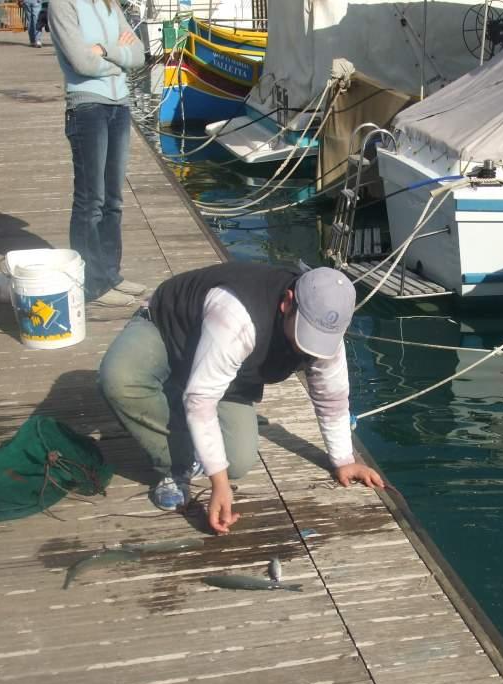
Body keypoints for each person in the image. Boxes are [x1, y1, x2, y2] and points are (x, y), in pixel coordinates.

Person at [99, 263, 385, 535]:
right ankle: (174, 463)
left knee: (237, 462)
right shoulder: (237, 316)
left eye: (320, 338)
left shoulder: (327, 335)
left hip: (229, 368)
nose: (309, 347)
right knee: (120, 378)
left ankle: (178, 394)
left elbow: (331, 400)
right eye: (305, 332)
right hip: (169, 330)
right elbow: (201, 401)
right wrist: (218, 484)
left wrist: (344, 460)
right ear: (287, 302)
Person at [48, 0, 146, 308]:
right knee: (91, 200)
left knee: (113, 200)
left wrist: (104, 50)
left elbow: (140, 54)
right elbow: (81, 63)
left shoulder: (109, 4)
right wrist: (119, 57)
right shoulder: (62, 5)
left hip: (120, 106)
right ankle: (92, 285)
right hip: (87, 107)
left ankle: (110, 275)